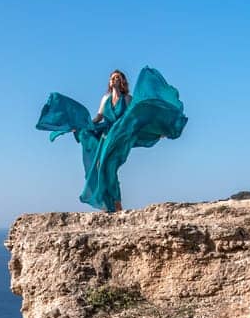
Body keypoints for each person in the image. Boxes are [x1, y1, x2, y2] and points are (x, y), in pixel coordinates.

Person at [36, 65, 187, 213]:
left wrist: (157, 130)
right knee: (101, 166)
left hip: (121, 136)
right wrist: (80, 125)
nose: (114, 79)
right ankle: (108, 204)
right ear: (109, 82)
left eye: (118, 78)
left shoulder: (128, 99)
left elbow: (136, 118)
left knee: (110, 167)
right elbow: (97, 118)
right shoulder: (105, 99)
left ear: (122, 82)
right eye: (112, 78)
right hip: (107, 135)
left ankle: (116, 203)